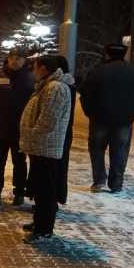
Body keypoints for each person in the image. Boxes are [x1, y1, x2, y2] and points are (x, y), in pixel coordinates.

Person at [79, 44, 134, 193]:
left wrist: (90, 112)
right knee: (120, 150)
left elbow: (85, 93)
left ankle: (99, 180)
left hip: (99, 118)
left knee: (97, 149)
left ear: (107, 54)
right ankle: (116, 183)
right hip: (124, 119)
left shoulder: (97, 71)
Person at [19, 56, 73, 243]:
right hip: (41, 146)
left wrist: (32, 134)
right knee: (40, 189)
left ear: (43, 68)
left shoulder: (55, 88)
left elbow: (48, 121)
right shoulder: (48, 86)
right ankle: (39, 222)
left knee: (46, 190)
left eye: (35, 67)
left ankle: (44, 229)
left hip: (46, 146)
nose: (33, 71)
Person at [0, 48, 35, 206]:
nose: (15, 60)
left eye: (19, 58)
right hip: (0, 127)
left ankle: (19, 193)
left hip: (21, 129)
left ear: (25, 60)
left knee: (20, 162)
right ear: (8, 59)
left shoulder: (31, 79)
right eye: (12, 57)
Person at [53, 56, 78, 205]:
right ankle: (55, 198)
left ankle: (51, 201)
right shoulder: (69, 85)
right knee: (60, 167)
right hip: (65, 131)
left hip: (57, 133)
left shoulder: (59, 87)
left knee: (54, 168)